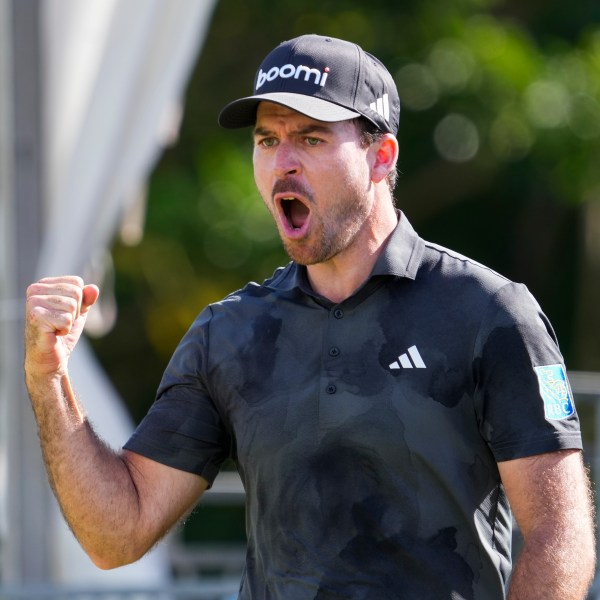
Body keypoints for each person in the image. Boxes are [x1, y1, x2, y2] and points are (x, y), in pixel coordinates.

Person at [24, 34, 595, 599]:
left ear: (381, 156)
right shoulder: (230, 334)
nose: (284, 163)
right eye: (267, 140)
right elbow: (116, 534)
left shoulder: (489, 313)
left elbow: (559, 536)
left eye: (312, 138)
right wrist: (50, 382)